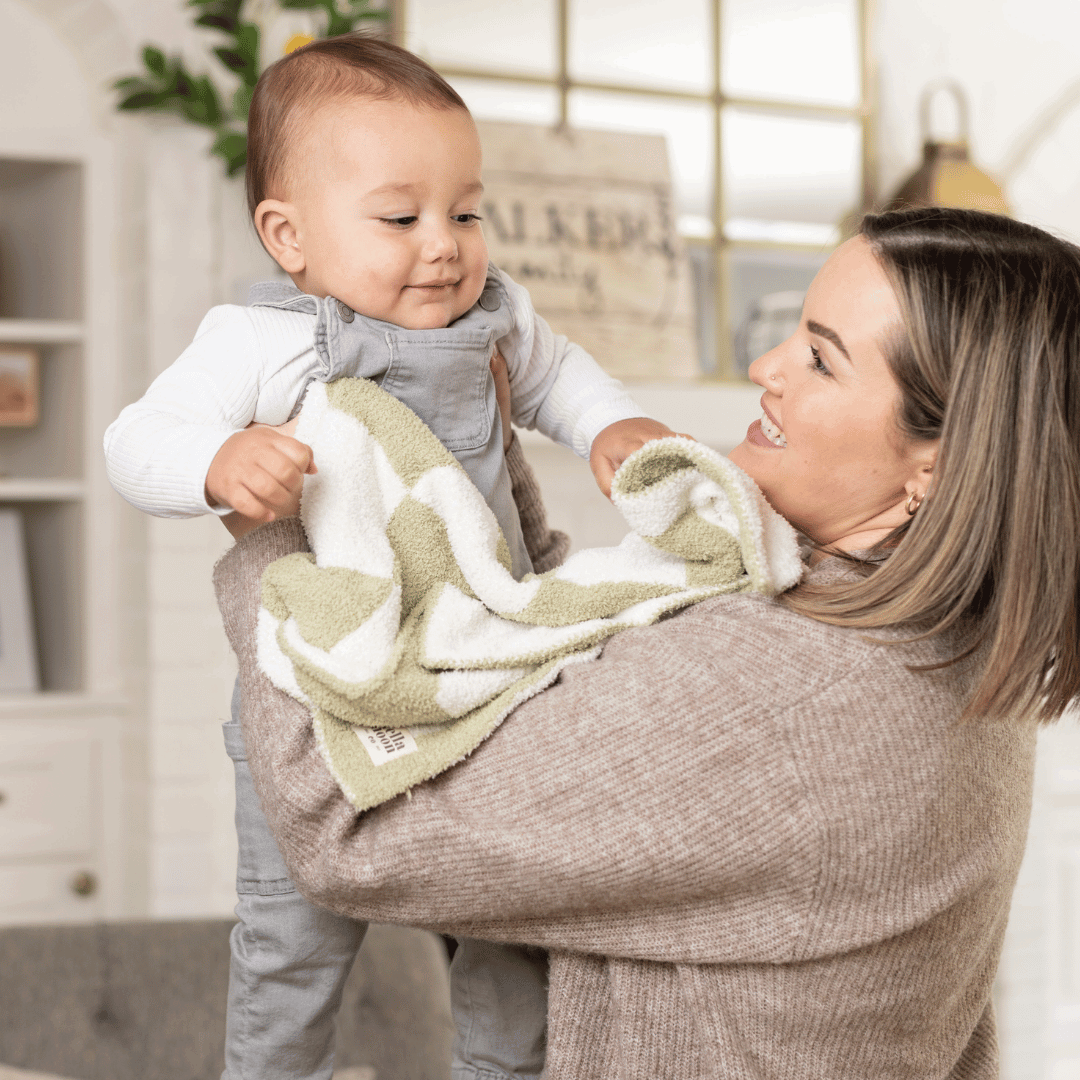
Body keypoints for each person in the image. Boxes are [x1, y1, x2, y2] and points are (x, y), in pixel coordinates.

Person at [212, 207, 1080, 1078]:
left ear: (936, 462)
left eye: (821, 358)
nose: (765, 368)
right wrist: (479, 449)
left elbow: (351, 835)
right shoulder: (947, 650)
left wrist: (273, 539)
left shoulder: (783, 698)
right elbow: (581, 691)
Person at [103, 35, 681, 1080]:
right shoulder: (263, 339)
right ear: (289, 234)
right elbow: (134, 443)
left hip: (477, 686)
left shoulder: (495, 316)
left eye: (465, 211)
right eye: (400, 217)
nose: (445, 247)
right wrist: (217, 460)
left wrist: (609, 425)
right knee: (289, 951)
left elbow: (563, 377)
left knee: (512, 940)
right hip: (321, 709)